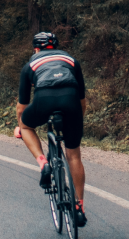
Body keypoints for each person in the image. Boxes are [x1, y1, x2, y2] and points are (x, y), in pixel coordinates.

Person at [13, 31, 88, 227]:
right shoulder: (71, 61)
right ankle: (79, 206)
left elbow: (22, 107)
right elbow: (82, 101)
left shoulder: (30, 65)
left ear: (36, 49)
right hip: (71, 103)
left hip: (43, 99)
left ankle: (43, 163)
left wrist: (20, 126)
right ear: (55, 47)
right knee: (74, 156)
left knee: (26, 125)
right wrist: (77, 119)